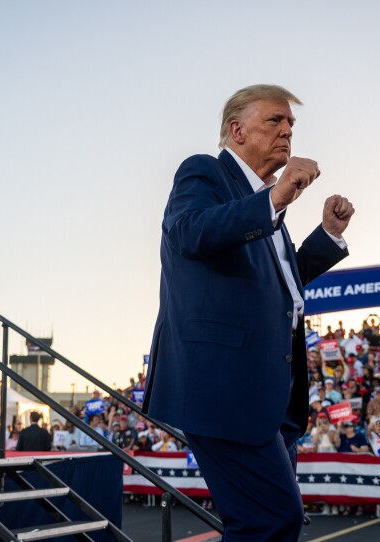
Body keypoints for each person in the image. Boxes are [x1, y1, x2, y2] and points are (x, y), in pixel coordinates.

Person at [142, 84, 353, 541]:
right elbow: (190, 234)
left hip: (268, 393)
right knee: (272, 521)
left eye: (291, 124)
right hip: (223, 387)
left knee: (266, 522)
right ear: (237, 130)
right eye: (275, 120)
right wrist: (273, 201)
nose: (287, 131)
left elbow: (280, 277)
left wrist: (328, 237)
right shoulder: (205, 173)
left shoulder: (260, 200)